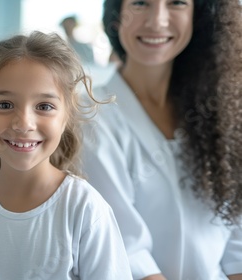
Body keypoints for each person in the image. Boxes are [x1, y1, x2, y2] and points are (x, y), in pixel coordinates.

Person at [0, 31, 132, 280]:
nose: (24, 124)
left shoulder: (83, 206)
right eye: (4, 104)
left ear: (67, 115)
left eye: (44, 107)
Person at [81, 0, 242, 279]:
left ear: (198, 15)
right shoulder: (90, 118)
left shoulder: (220, 113)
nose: (157, 21)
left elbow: (237, 246)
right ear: (117, 16)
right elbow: (125, 249)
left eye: (177, 3)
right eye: (141, 3)